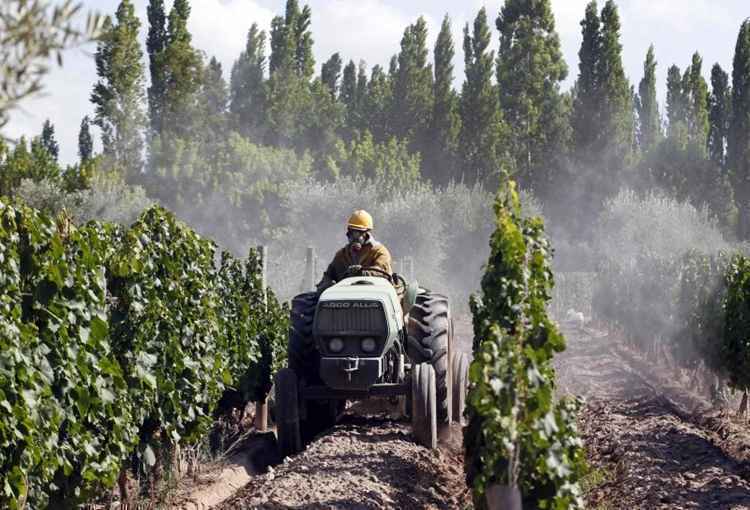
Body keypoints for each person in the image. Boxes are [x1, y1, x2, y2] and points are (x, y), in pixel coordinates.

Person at [317, 210, 393, 291]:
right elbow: (329, 274)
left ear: (366, 233)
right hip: (347, 296)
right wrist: (327, 283)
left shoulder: (379, 252)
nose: (353, 237)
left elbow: (382, 272)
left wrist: (362, 273)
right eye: (351, 232)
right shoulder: (342, 254)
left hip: (374, 295)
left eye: (357, 232)